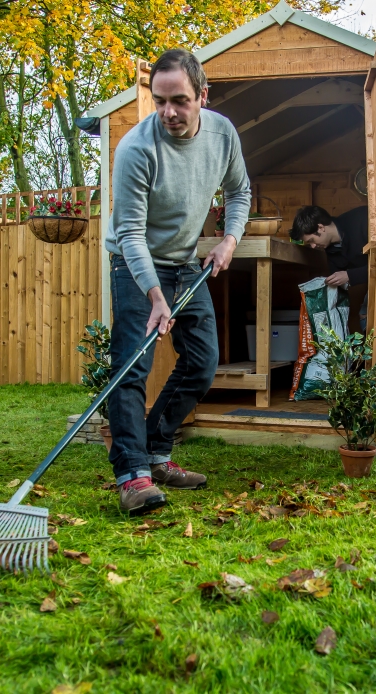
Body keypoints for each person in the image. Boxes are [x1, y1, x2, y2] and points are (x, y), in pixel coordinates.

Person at [105, 49, 251, 515]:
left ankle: (156, 452)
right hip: (135, 264)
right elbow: (128, 232)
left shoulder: (223, 134)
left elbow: (240, 190)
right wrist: (154, 295)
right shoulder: (135, 149)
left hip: (187, 263)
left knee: (203, 362)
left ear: (202, 96)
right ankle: (133, 475)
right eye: (160, 100)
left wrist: (229, 239)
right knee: (132, 367)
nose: (168, 112)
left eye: (180, 101)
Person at [289, 205, 369, 332]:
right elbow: (338, 284)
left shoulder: (363, 220)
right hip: (374, 285)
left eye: (312, 240)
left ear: (321, 227)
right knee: (364, 315)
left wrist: (350, 276)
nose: (313, 246)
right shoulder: (331, 249)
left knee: (367, 315)